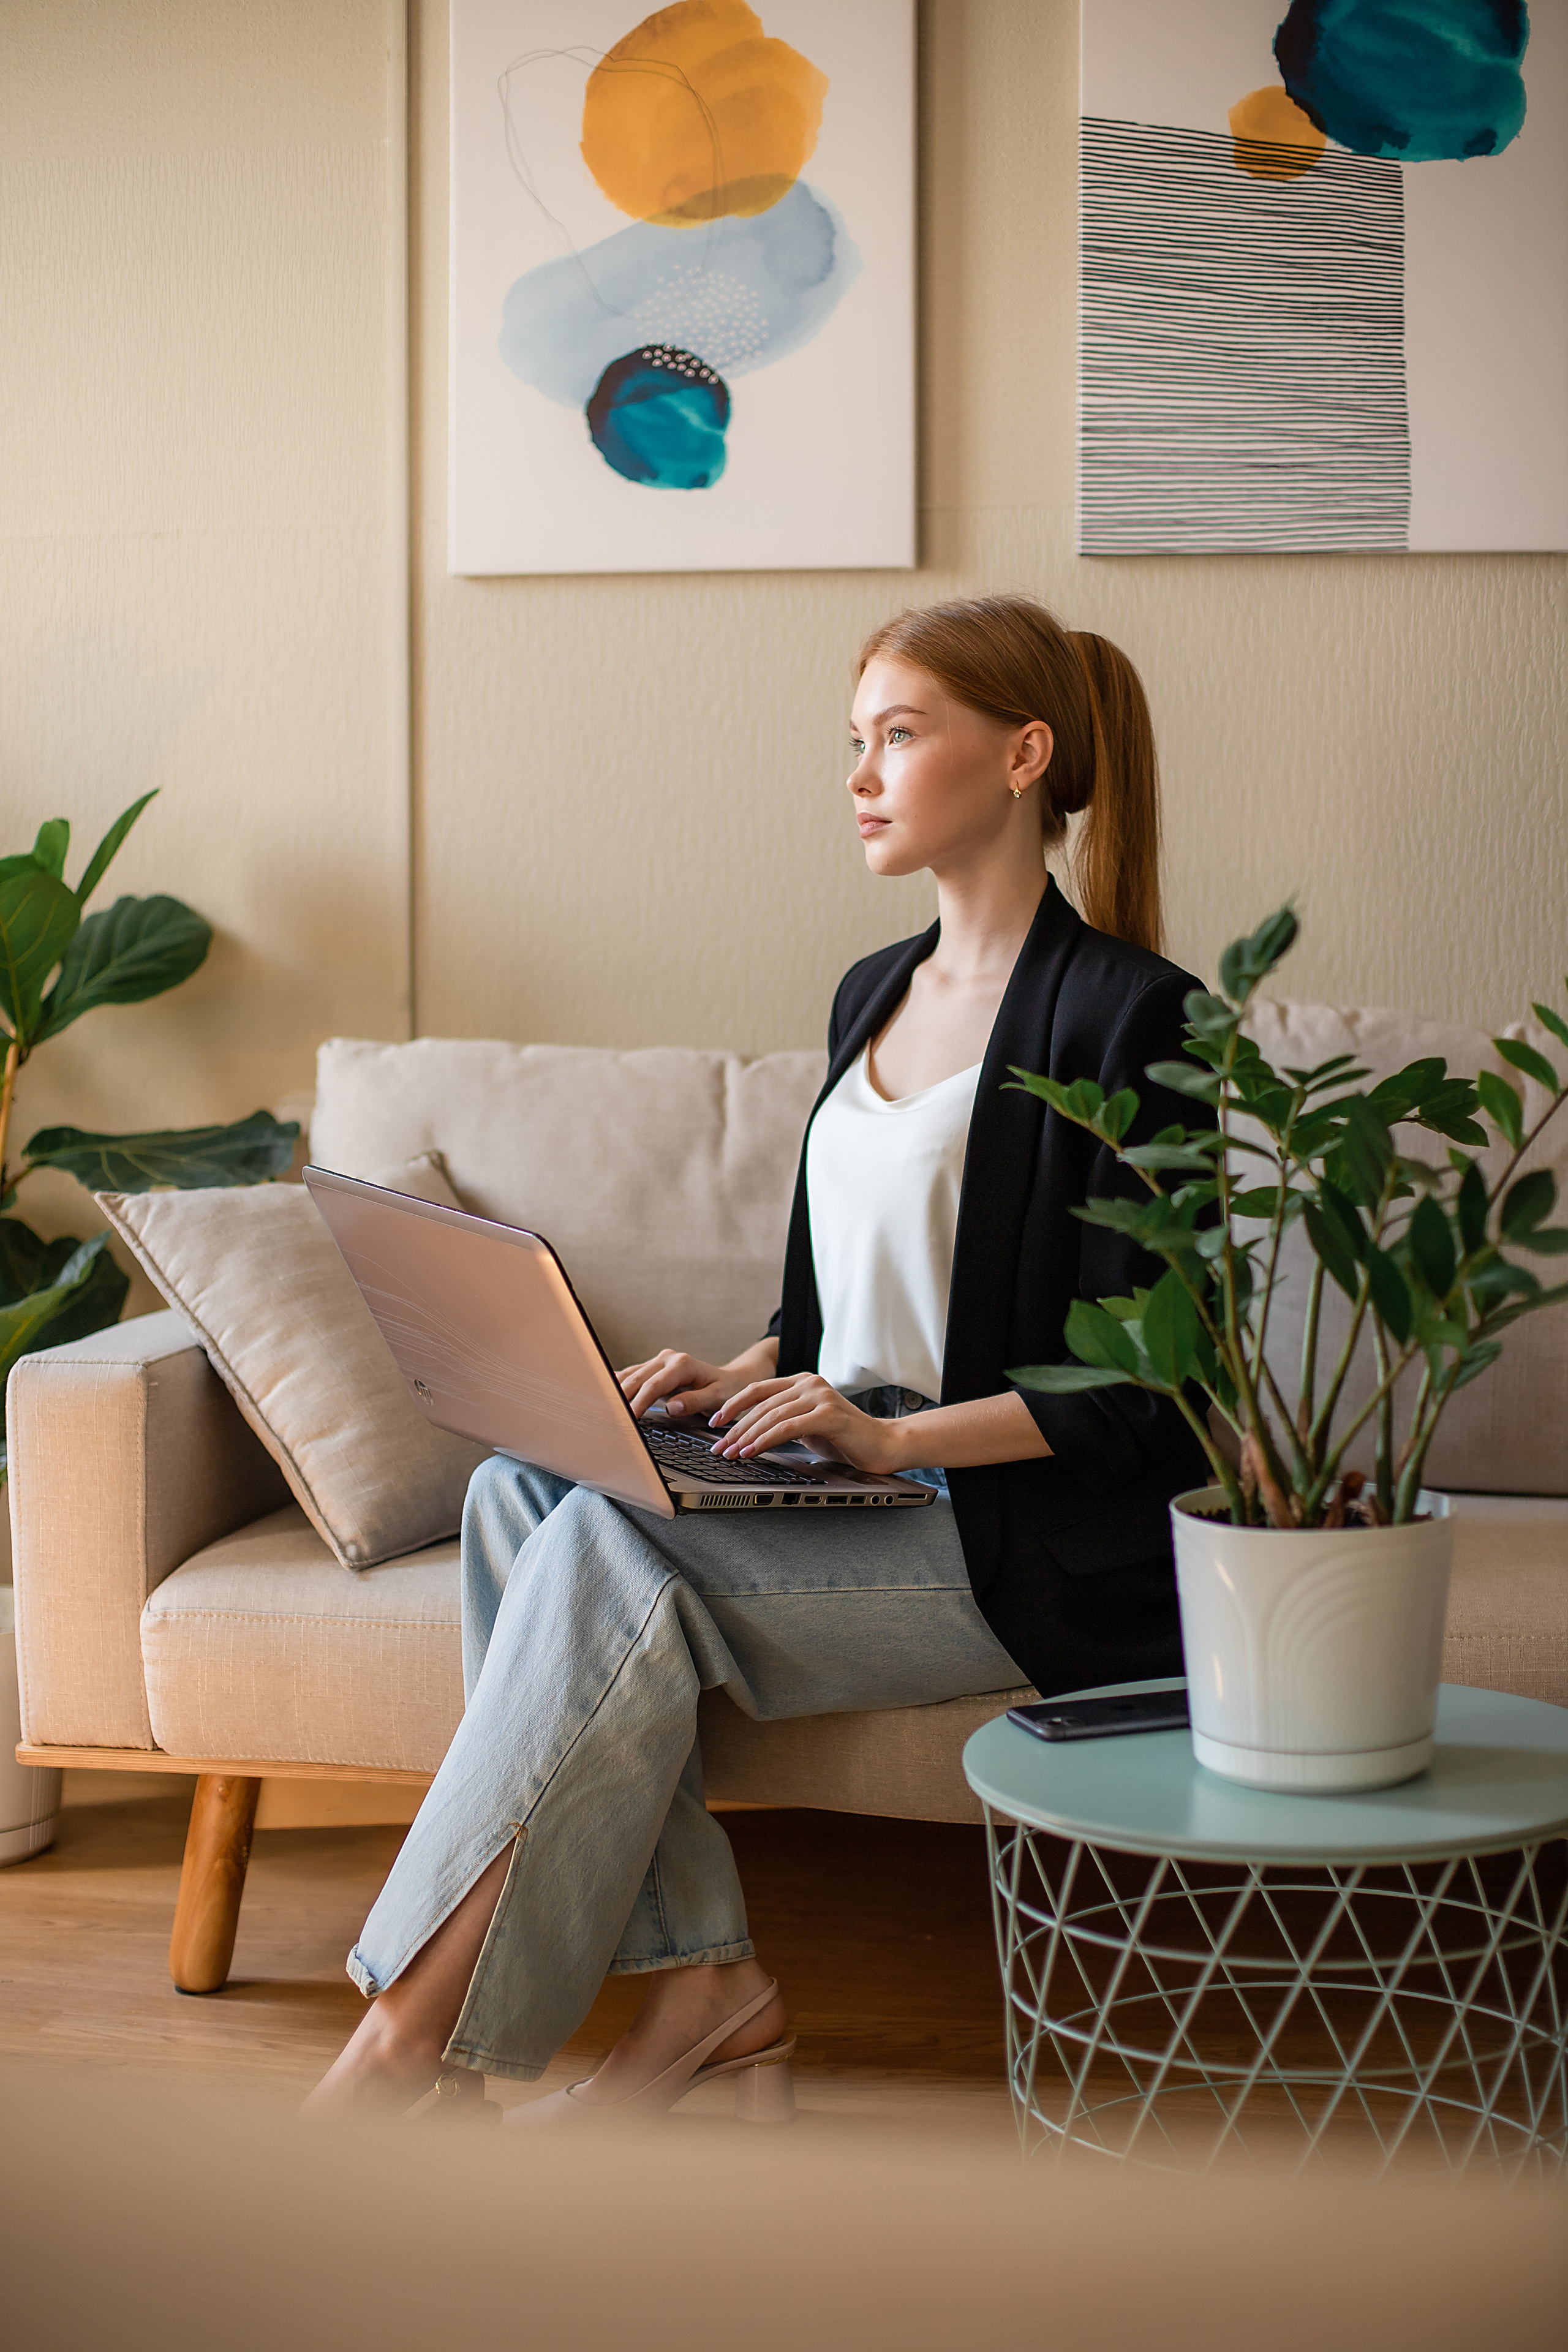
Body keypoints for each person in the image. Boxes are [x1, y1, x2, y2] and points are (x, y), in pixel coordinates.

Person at [304, 594, 1208, 2125]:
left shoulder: (1136, 1016)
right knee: (521, 1491)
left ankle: (407, 2043)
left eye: (898, 735)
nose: (859, 775)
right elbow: (837, 1306)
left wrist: (891, 1439)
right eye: (853, 740)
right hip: (850, 1474)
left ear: (1021, 755)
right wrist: (740, 1376)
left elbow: (1151, 1389)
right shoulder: (872, 990)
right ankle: (701, 1992)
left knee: (601, 1546)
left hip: (1013, 1528)